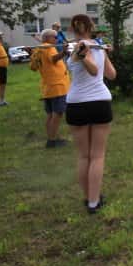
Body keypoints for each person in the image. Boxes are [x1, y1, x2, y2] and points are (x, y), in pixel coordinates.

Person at [65, 14, 116, 213]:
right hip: (93, 104)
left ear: (73, 29)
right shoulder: (78, 48)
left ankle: (91, 199)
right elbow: (96, 71)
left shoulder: (96, 47)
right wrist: (82, 54)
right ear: (91, 27)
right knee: (93, 156)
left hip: (84, 103)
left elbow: (110, 74)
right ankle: (92, 201)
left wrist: (104, 53)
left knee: (87, 156)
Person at [27, 29, 70, 147]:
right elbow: (53, 59)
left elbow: (33, 67)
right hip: (57, 86)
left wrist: (31, 53)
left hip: (48, 87)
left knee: (50, 114)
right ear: (47, 38)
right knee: (57, 114)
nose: (57, 39)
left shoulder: (38, 50)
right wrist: (64, 52)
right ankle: (52, 140)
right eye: (55, 37)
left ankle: (52, 137)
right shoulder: (48, 47)